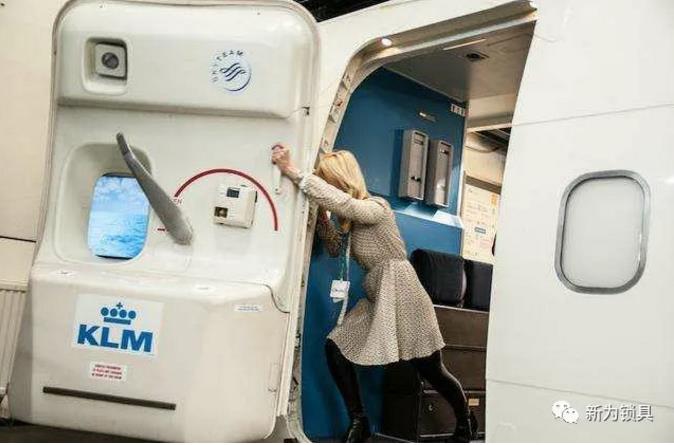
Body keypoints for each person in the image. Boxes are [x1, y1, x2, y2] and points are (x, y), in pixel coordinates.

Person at [272, 146, 477, 443]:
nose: (327, 185)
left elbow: (347, 204)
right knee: (336, 347)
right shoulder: (351, 220)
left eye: (329, 180)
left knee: (430, 368)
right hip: (378, 293)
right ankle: (360, 420)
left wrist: (294, 173)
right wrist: (322, 217)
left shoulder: (376, 207)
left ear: (342, 179)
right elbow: (333, 247)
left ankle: (465, 420)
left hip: (403, 291)